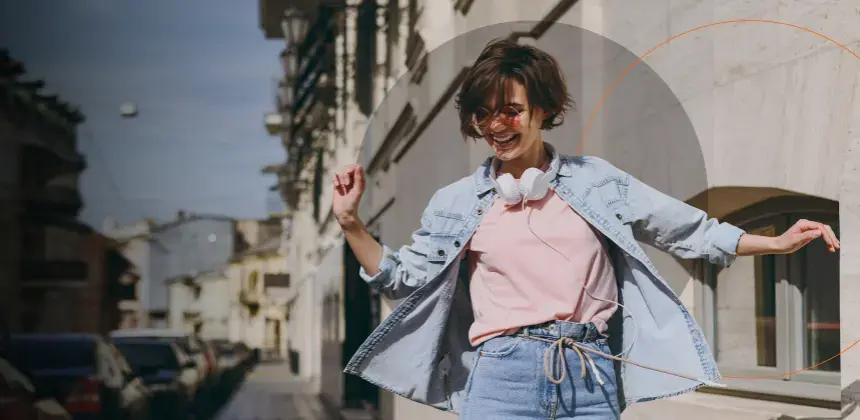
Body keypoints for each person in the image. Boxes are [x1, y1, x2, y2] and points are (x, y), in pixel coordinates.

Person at [331, 38, 840, 420]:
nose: (496, 125)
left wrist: (774, 241)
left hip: (590, 370)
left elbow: (688, 229)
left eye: (510, 110)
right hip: (500, 376)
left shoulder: (597, 181)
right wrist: (352, 223)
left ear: (544, 110)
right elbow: (404, 280)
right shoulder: (457, 202)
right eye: (483, 114)